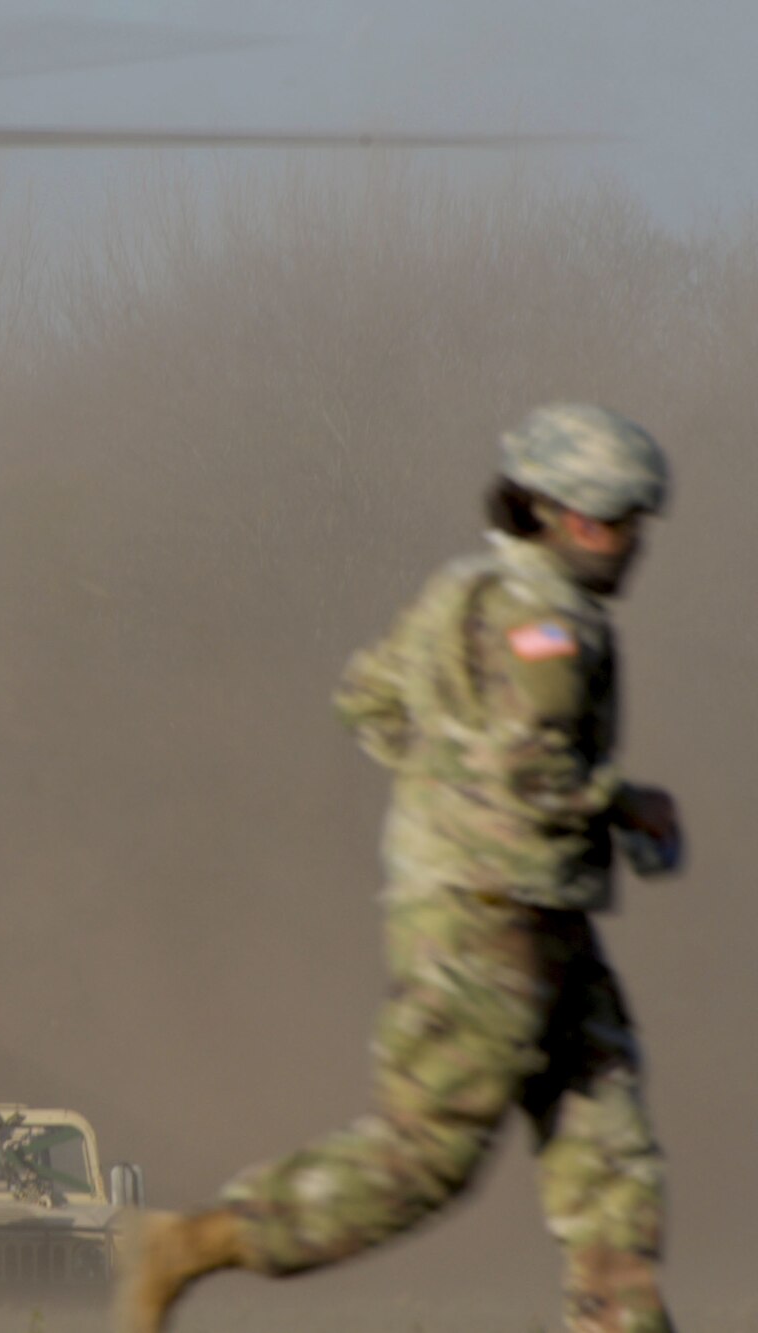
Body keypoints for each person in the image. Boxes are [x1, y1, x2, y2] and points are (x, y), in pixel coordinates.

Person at [120, 404, 684, 1333]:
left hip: (532, 913)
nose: (630, 545)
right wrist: (627, 805)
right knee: (426, 1159)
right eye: (620, 522)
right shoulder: (548, 624)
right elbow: (527, 767)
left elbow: (369, 699)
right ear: (569, 517)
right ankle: (198, 1241)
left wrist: (435, 802)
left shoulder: (457, 594)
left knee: (609, 1154)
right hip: (488, 923)